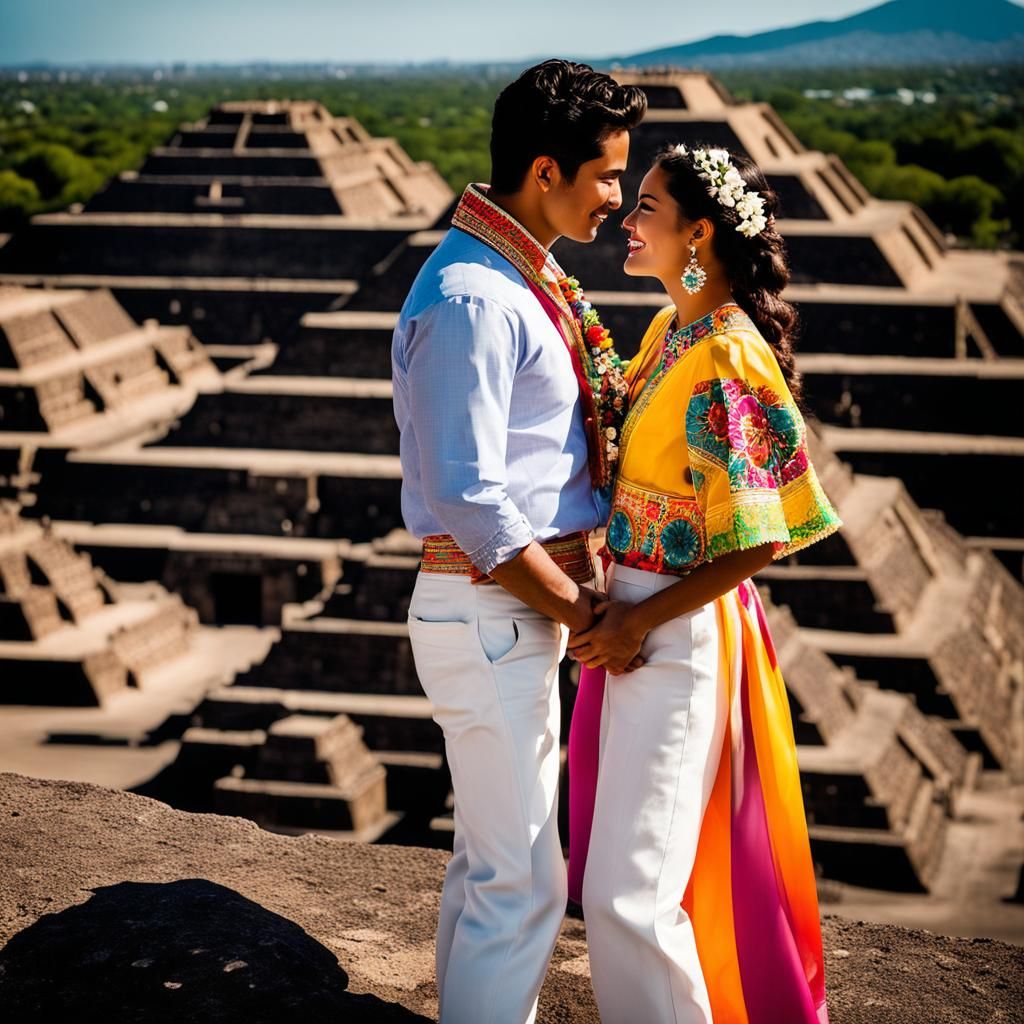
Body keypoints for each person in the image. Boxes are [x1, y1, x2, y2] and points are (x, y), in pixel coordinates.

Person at [391, 60, 645, 1023]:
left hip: (505, 611)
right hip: (498, 605)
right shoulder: (475, 298)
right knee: (526, 880)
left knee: (493, 864)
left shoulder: (509, 274)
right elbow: (472, 499)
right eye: (609, 176)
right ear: (547, 171)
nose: (618, 200)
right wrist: (584, 611)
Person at [566, 144, 840, 1023]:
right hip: (639, 618)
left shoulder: (726, 354)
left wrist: (638, 627)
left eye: (646, 205)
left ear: (700, 234)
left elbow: (759, 536)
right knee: (621, 885)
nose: (626, 218)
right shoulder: (670, 333)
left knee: (630, 892)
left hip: (676, 635)